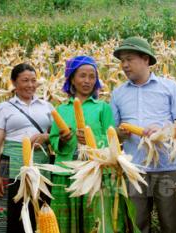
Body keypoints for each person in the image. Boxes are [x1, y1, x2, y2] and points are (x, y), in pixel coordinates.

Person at [110, 36, 176, 233]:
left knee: (171, 222)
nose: (125, 65)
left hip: (166, 166)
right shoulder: (118, 93)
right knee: (137, 223)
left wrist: (163, 130)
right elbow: (113, 132)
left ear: (146, 59)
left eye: (129, 59)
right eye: (122, 61)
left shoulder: (169, 87)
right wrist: (121, 134)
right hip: (133, 168)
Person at [0, 63, 54, 232]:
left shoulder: (46, 106)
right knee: (8, 212)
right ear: (13, 83)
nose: (30, 85)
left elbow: (57, 136)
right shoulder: (4, 108)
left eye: (33, 80)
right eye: (25, 80)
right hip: (9, 165)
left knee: (39, 210)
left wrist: (46, 137)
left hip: (40, 167)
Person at [49, 56, 123, 233]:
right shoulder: (61, 109)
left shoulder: (102, 107)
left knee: (94, 220)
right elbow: (53, 139)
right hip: (66, 171)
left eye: (92, 76)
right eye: (82, 76)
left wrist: (93, 140)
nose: (87, 81)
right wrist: (62, 139)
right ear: (72, 79)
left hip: (94, 170)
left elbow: (111, 139)